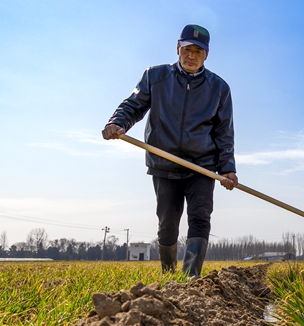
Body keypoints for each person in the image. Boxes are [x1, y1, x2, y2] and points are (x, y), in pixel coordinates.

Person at [102, 24, 237, 278]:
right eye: (187, 49)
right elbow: (133, 105)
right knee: (167, 225)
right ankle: (169, 276)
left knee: (200, 218)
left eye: (198, 51)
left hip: (201, 166)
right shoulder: (155, 77)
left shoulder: (219, 89)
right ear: (178, 48)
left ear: (206, 55)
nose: (191, 56)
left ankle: (190, 279)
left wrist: (227, 169)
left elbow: (224, 134)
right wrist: (117, 122)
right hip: (164, 164)